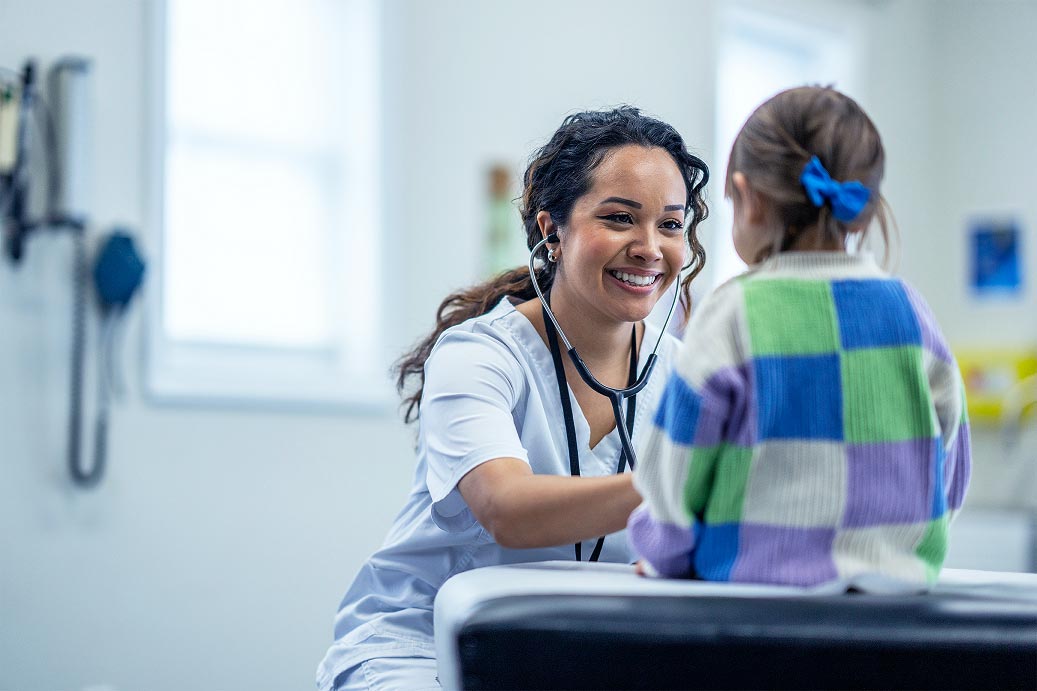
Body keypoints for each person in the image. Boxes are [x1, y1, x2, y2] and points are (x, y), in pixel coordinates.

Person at [316, 106, 709, 690]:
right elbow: (507, 509)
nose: (650, 248)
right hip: (427, 647)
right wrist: (687, 485)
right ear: (552, 231)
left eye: (671, 225)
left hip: (581, 656)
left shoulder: (689, 373)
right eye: (620, 218)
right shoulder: (479, 357)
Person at [627, 86, 971, 591]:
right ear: (866, 208)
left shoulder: (734, 312)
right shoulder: (911, 312)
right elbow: (950, 472)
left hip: (756, 612)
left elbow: (677, 470)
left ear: (749, 199)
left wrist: (662, 556)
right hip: (892, 613)